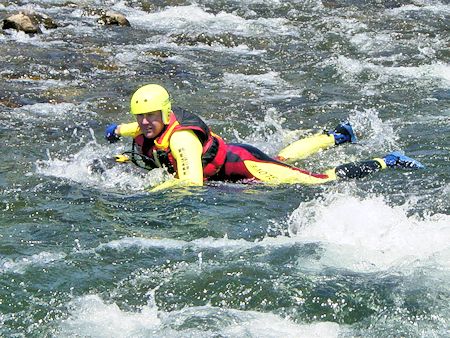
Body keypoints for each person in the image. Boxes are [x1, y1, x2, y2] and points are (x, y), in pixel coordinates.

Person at [105, 84, 424, 191]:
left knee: (317, 180)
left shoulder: (182, 141)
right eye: (139, 117)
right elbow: (141, 130)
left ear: (165, 113)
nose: (144, 123)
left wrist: (152, 190)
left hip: (245, 167)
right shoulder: (153, 124)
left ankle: (387, 160)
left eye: (150, 116)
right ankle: (337, 137)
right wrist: (118, 130)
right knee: (283, 157)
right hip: (236, 162)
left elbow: (191, 184)